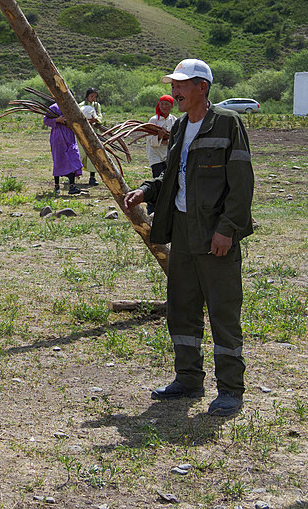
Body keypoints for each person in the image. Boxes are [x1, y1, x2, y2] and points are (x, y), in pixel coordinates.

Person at [124, 59, 254, 417]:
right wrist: (146, 191)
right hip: (182, 230)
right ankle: (189, 378)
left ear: (203, 88)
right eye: (174, 85)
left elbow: (242, 184)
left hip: (215, 234)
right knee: (182, 308)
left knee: (223, 312)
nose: (175, 91)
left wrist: (228, 229)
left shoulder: (227, 123)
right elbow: (174, 176)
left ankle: (230, 389)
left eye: (182, 85)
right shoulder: (180, 126)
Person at [44, 103, 82, 195]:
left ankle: (72, 186)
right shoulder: (54, 108)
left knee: (73, 157)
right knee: (58, 160)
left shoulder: (72, 107)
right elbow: (46, 120)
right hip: (58, 137)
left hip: (69, 136)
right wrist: (57, 120)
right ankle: (57, 186)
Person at [147, 95, 177, 179]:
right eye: (162, 104)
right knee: (158, 178)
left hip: (168, 155)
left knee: (168, 179)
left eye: (167, 104)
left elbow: (177, 137)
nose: (164, 106)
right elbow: (150, 140)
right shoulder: (153, 120)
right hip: (155, 155)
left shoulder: (174, 120)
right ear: (159, 105)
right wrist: (159, 137)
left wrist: (168, 141)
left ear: (171, 106)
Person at [78, 87, 103, 187]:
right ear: (87, 96)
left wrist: (96, 120)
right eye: (91, 96)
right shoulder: (80, 105)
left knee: (94, 153)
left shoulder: (97, 106)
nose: (93, 98)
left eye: (95, 97)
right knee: (81, 153)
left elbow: (100, 116)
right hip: (82, 132)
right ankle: (75, 174)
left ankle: (92, 177)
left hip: (93, 132)